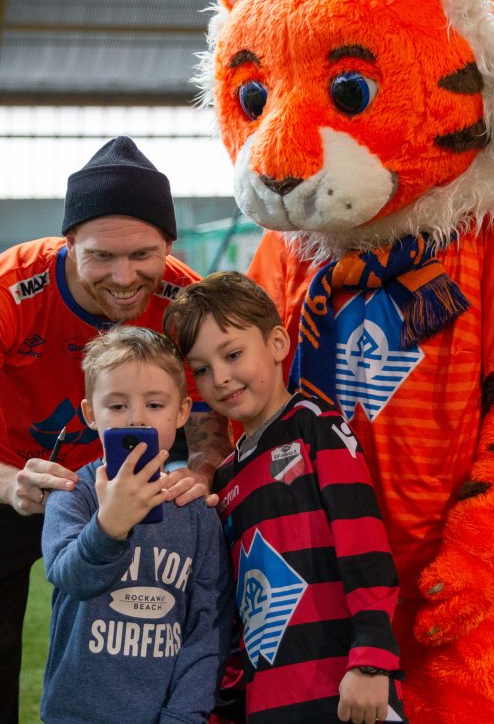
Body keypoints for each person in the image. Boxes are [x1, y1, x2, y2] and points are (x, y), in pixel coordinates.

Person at [0, 136, 231, 723]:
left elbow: (210, 419)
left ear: (169, 245)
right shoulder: (3, 290)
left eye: (143, 254)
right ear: (68, 243)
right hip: (2, 483)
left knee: (133, 646)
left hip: (127, 492)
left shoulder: (185, 300)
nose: (124, 276)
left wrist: (202, 470)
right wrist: (10, 485)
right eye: (101, 256)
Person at [163, 272, 404, 723]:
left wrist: (371, 660)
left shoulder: (317, 427)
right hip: (270, 701)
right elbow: (238, 606)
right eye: (201, 369)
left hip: (345, 690)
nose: (221, 378)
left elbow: (365, 547)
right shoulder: (226, 478)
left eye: (233, 354)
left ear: (277, 343)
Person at [40, 326, 231, 723]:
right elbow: (70, 577)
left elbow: (207, 630)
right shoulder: (72, 494)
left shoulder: (194, 510)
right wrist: (108, 526)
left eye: (155, 404)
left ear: (182, 412)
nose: (137, 418)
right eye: (117, 405)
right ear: (90, 414)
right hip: (76, 714)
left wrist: (183, 715)